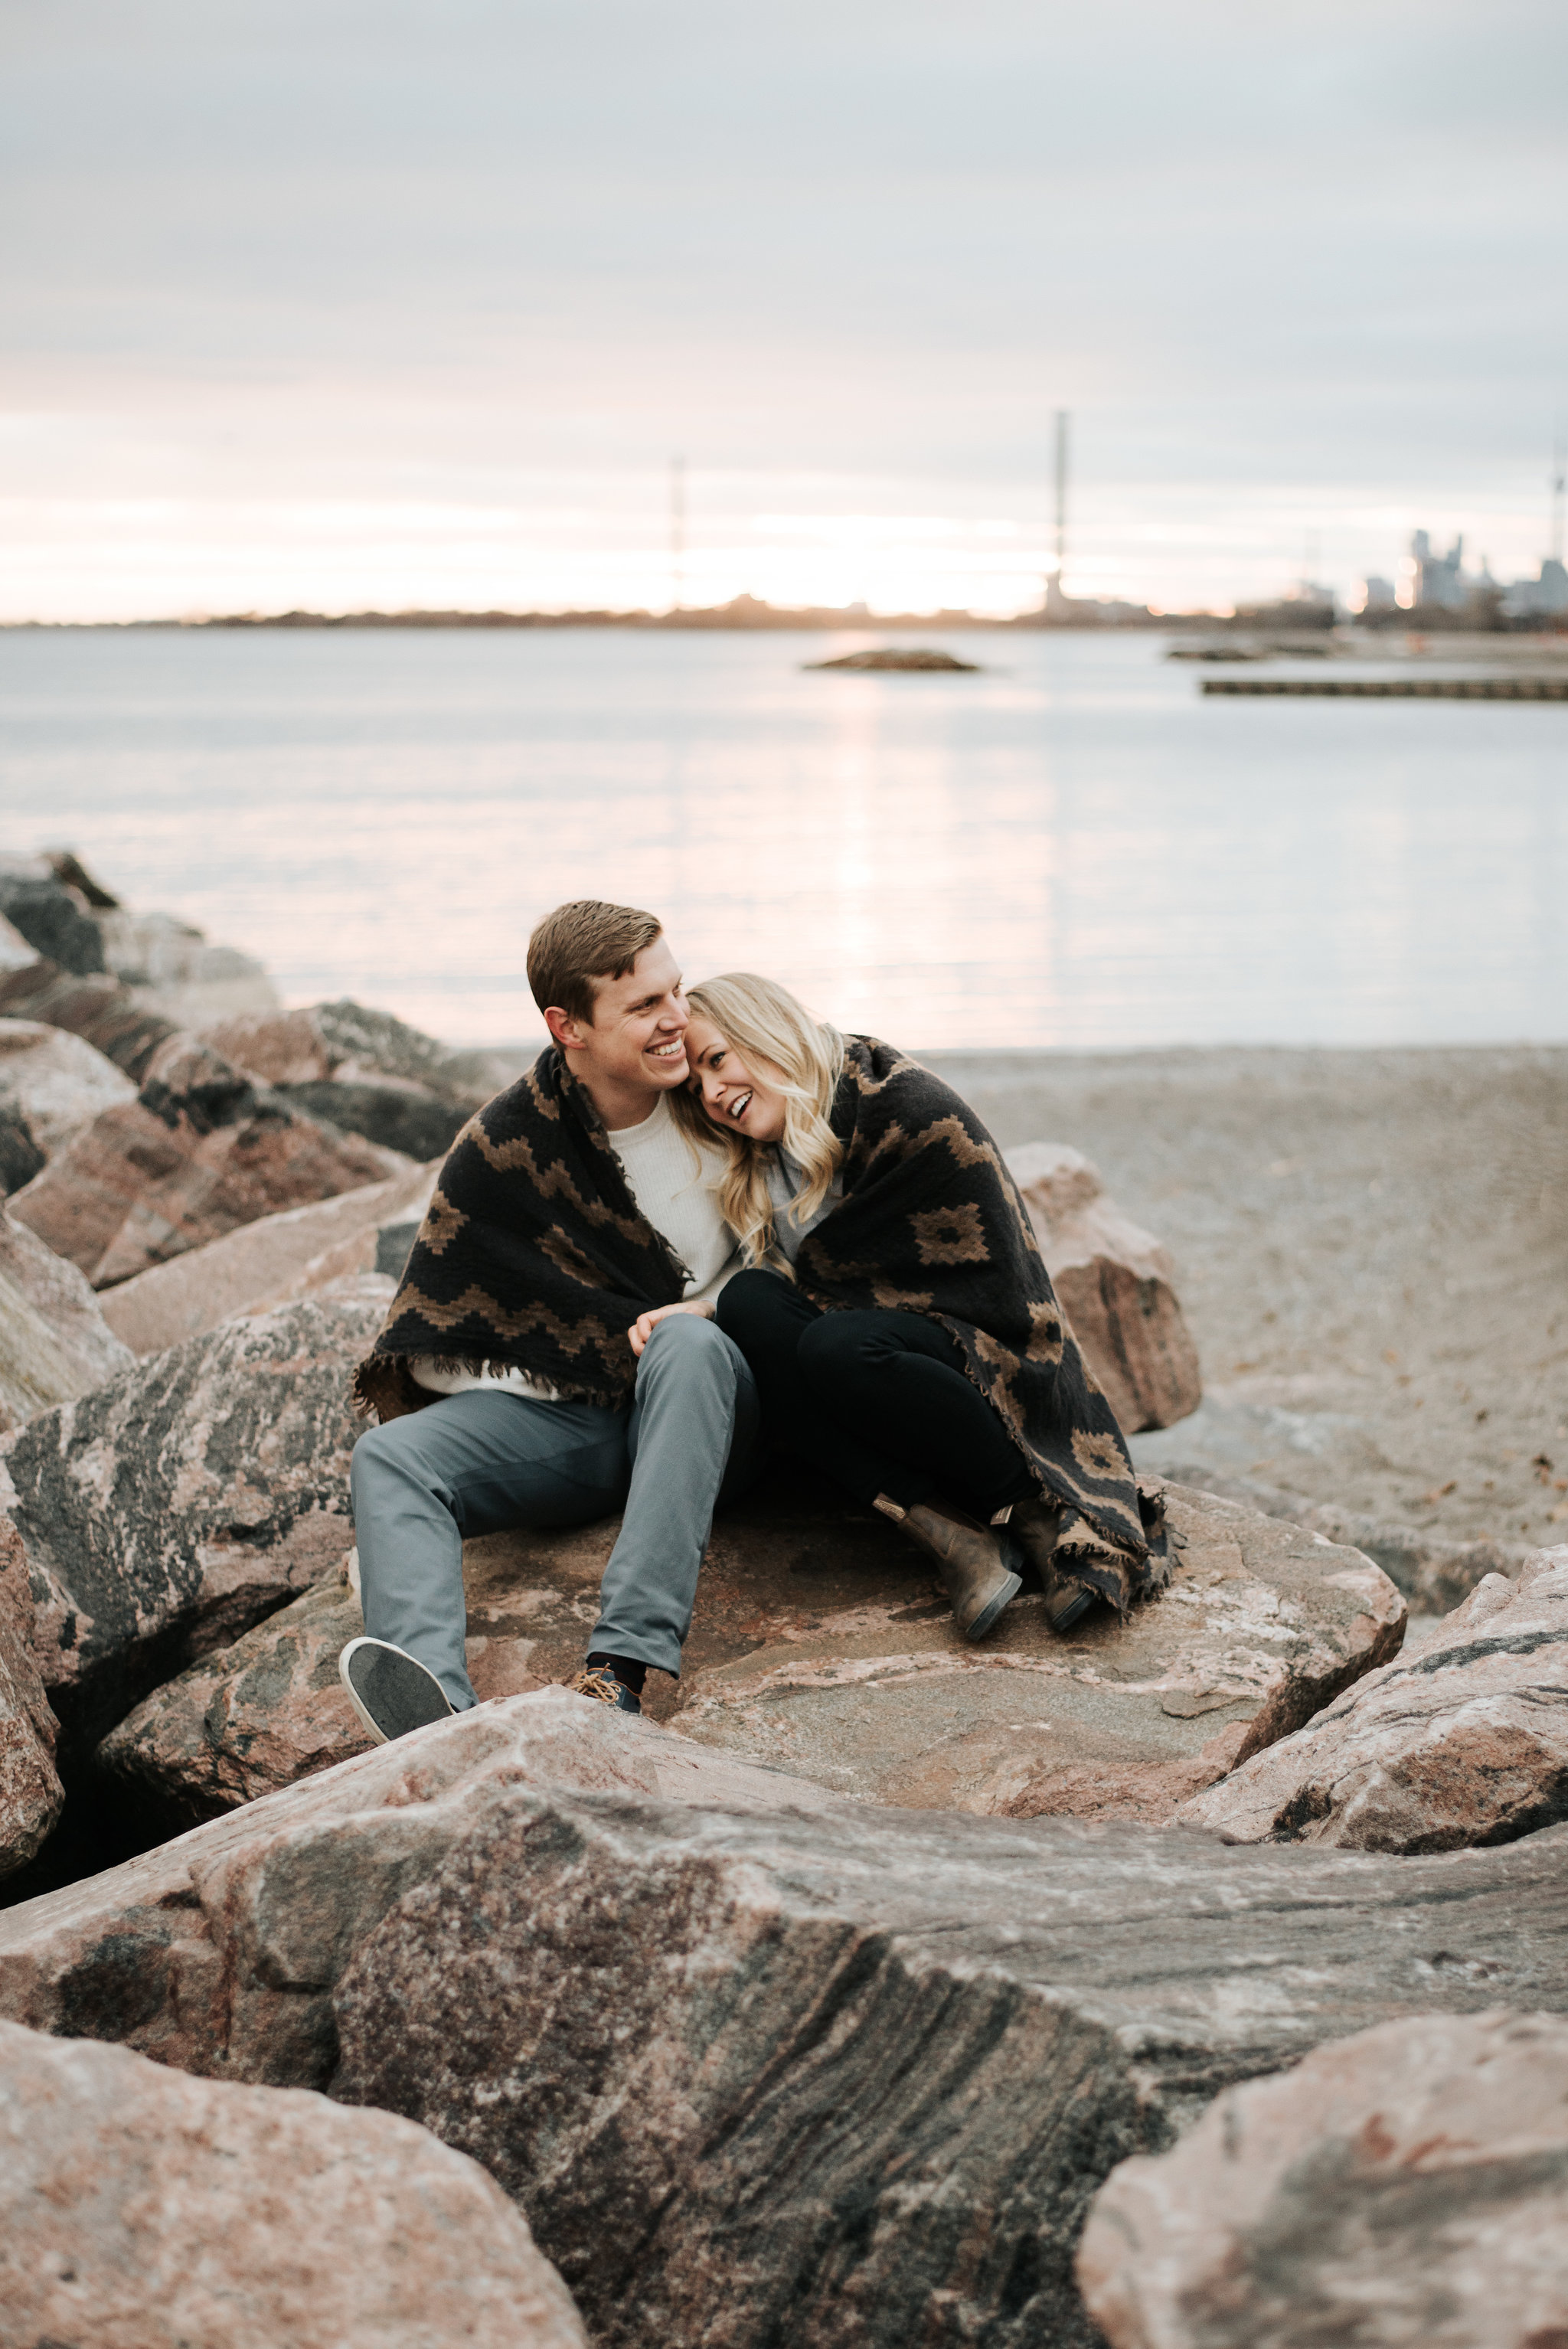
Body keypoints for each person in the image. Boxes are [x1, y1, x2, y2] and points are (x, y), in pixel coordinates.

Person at [338, 900, 761, 1742]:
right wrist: (571, 1355)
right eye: (644, 1006)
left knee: (681, 1337)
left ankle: (619, 1668)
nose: (678, 1018)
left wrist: (695, 1311)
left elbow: (814, 1250)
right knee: (389, 1457)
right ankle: (437, 1720)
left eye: (675, 990)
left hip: (726, 1402)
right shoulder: (510, 1142)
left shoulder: (725, 1098)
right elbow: (458, 1314)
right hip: (593, 1416)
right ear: (566, 1026)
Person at [665, 972, 1165, 1638]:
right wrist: (703, 1308)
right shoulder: (763, 1158)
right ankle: (951, 1535)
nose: (711, 1092)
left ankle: (1030, 1510)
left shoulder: (901, 1107)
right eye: (695, 1086)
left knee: (838, 1345)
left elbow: (991, 1285)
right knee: (749, 1302)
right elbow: (793, 1278)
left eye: (716, 1060)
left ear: (764, 1030)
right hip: (883, 1374)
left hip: (989, 1354)